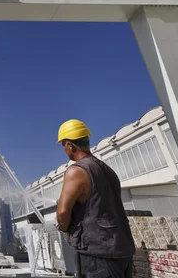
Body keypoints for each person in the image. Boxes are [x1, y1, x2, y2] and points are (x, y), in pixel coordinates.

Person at [55, 119, 135, 278]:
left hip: (98, 252)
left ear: (70, 145)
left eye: (63, 145)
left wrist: (64, 229)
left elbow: (63, 213)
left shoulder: (76, 171)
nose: (64, 149)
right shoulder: (108, 171)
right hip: (123, 248)